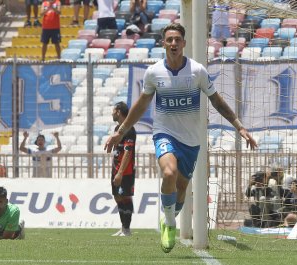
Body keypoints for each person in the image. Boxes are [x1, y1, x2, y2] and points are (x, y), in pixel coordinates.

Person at [104, 23, 257, 253]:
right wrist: (121, 131)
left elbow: (216, 100)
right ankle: (170, 223)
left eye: (177, 39)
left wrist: (239, 126)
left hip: (191, 140)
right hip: (164, 133)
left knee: (182, 187)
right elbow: (142, 104)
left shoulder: (197, 71)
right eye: (169, 40)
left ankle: (169, 216)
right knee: (169, 173)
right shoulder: (154, 72)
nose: (173, 43)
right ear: (163, 43)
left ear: (184, 43)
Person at [110, 102, 136, 237]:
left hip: (125, 171)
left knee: (125, 196)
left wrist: (120, 172)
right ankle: (123, 227)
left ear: (118, 111)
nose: (112, 113)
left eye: (113, 110)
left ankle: (127, 229)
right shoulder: (117, 128)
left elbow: (128, 152)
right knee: (117, 196)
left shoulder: (129, 129)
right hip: (116, 169)